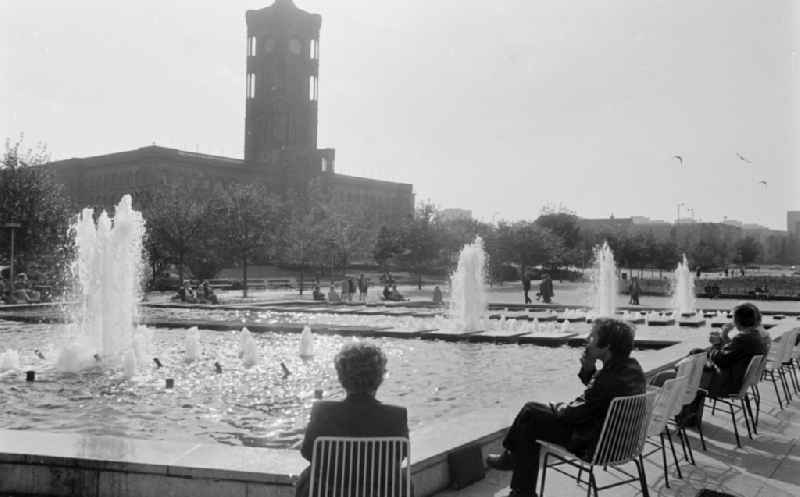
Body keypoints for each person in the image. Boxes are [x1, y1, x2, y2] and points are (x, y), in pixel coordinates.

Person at [486, 318, 646, 497]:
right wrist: (589, 370)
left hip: (594, 444)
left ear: (607, 346)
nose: (587, 339)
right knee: (532, 417)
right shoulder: (632, 368)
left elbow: (573, 414)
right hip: (621, 443)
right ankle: (517, 477)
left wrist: (556, 407)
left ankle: (516, 469)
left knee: (531, 414)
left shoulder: (608, 379)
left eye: (593, 337)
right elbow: (600, 399)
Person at [295, 342, 408, 497]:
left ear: (341, 378)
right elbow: (398, 457)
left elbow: (308, 453)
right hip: (377, 492)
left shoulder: (322, 411)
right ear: (379, 377)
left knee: (308, 477)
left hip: (330, 492)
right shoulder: (396, 415)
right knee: (403, 479)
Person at [651, 302, 769, 426]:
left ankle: (655, 419)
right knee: (696, 353)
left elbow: (722, 360)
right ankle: (682, 375)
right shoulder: (755, 337)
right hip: (733, 380)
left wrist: (713, 347)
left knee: (660, 378)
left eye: (733, 318)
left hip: (723, 384)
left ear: (738, 320)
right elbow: (732, 355)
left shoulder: (743, 338)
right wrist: (720, 343)